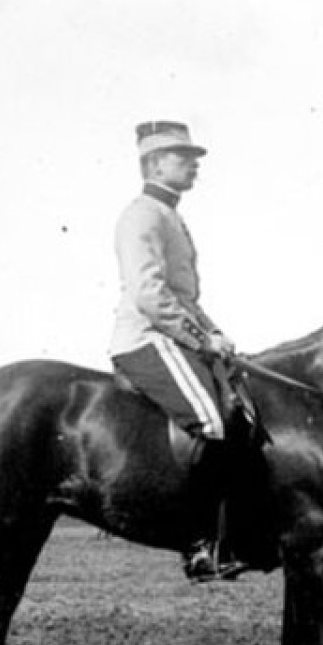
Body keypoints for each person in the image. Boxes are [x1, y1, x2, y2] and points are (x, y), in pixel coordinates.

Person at [109, 120, 246, 581]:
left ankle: (229, 533)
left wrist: (216, 335)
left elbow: (184, 298)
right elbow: (150, 294)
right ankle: (197, 542)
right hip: (147, 337)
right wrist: (202, 339)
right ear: (152, 163)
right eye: (182, 156)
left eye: (193, 158)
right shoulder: (143, 214)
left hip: (173, 332)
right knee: (210, 419)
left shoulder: (169, 215)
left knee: (238, 405)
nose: (193, 166)